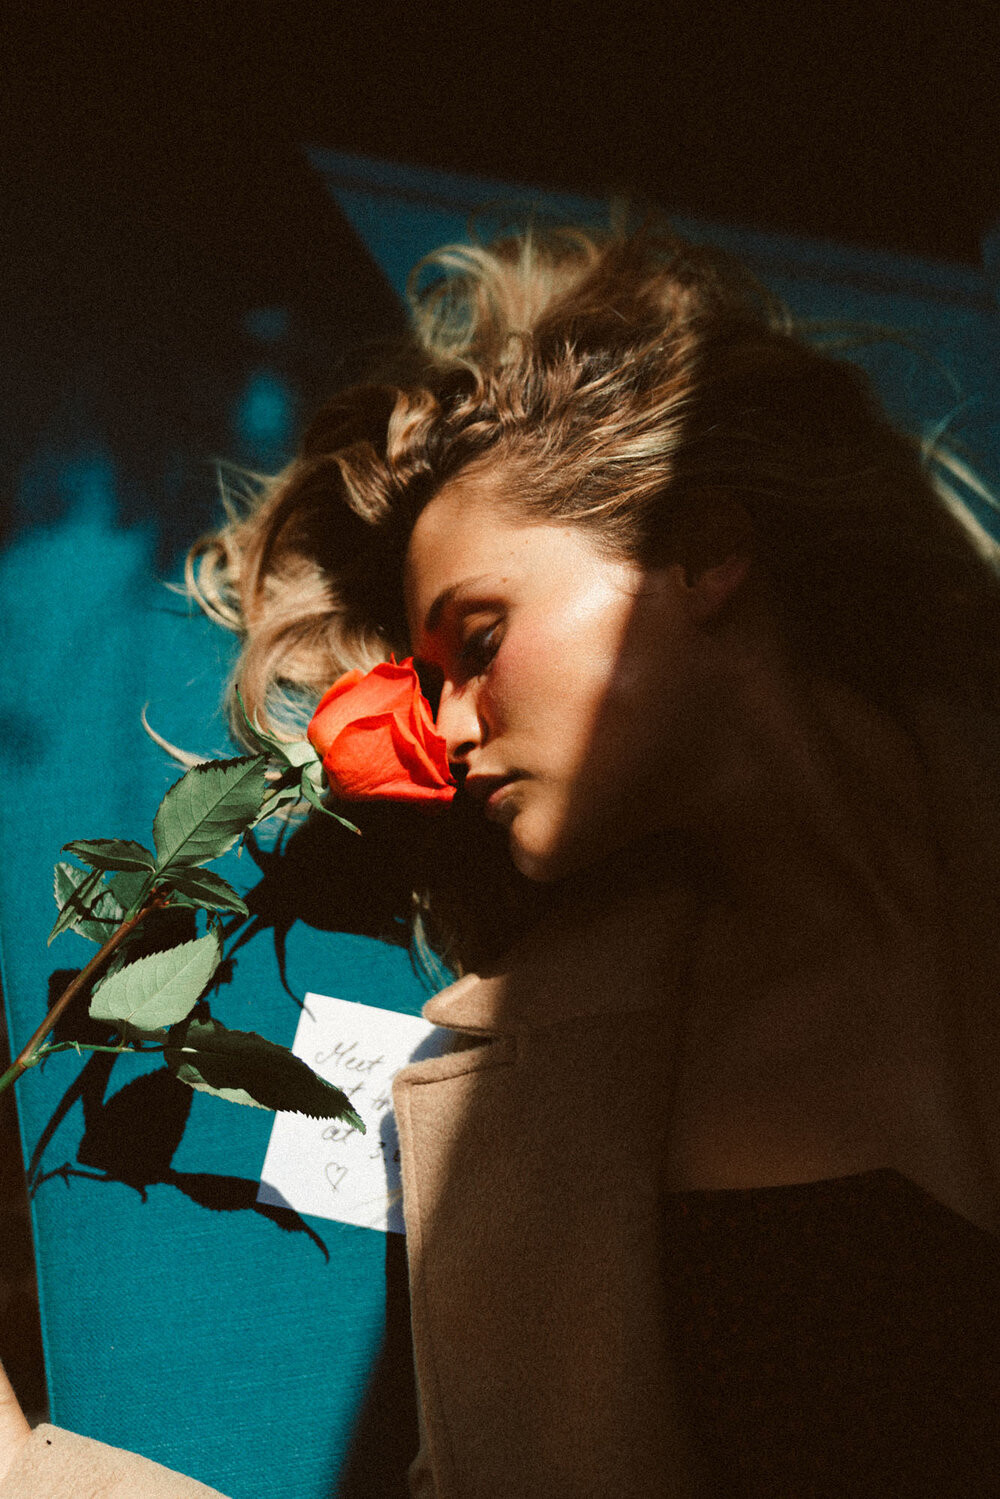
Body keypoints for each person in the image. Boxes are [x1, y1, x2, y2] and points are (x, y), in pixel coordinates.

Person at [3, 224, 1000, 1496]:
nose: (451, 728)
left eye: (477, 641)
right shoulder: (544, 1105)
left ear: (702, 548)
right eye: (428, 682)